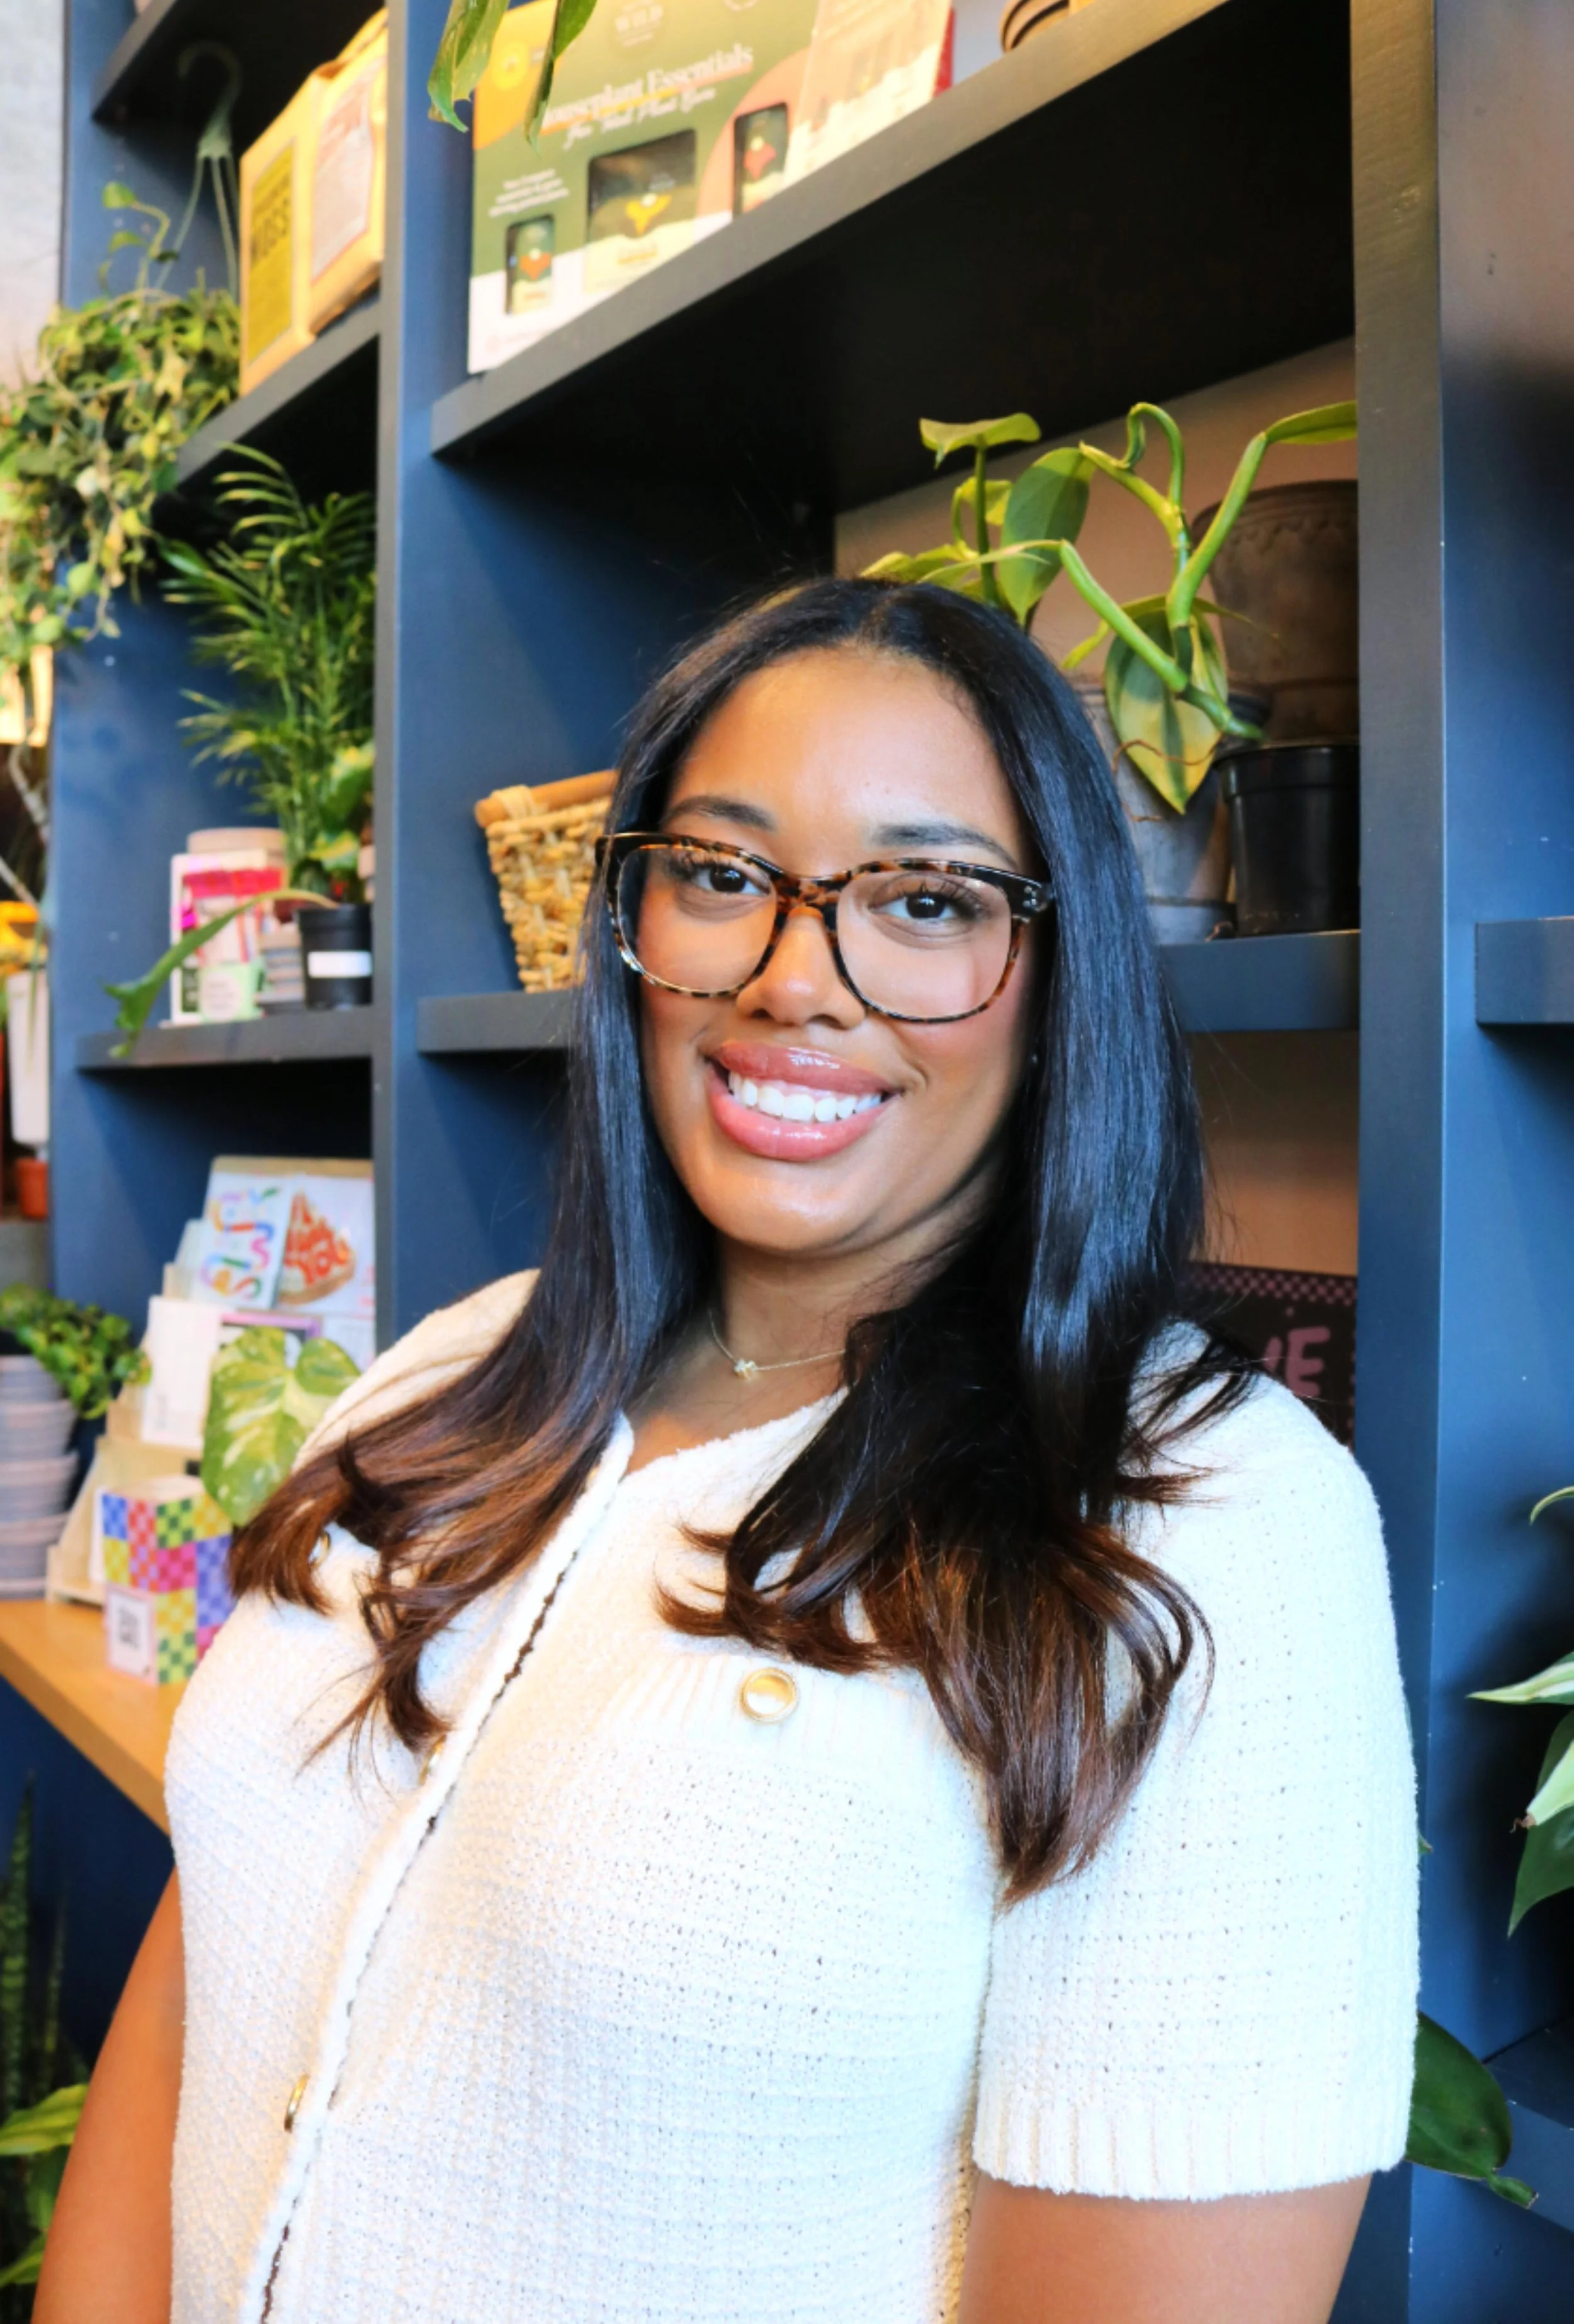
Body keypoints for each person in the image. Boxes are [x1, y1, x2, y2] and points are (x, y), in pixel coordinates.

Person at [38, 580, 1417, 2324]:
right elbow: (222, 1951)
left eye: (924, 900)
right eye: (718, 874)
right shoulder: (446, 1371)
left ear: (1060, 972)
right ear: (627, 920)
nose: (788, 980)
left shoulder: (1204, 1520)